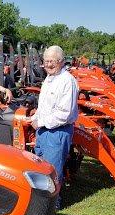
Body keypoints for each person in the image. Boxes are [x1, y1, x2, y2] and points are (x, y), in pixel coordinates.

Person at [30, 45, 79, 183]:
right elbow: (44, 105)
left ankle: (54, 202)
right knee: (41, 167)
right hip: (43, 131)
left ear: (62, 61)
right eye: (46, 61)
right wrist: (35, 117)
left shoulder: (67, 81)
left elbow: (65, 113)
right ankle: (43, 199)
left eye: (53, 61)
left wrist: (40, 122)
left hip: (57, 132)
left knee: (52, 171)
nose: (49, 64)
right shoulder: (49, 79)